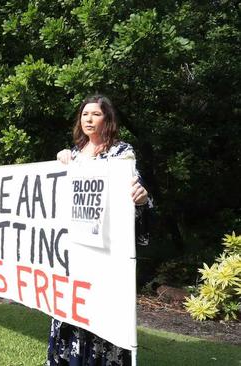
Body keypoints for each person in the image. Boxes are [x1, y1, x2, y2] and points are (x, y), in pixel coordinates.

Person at [49, 95, 152, 365]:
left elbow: (134, 192)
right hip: (74, 252)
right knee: (73, 306)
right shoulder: (72, 155)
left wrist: (140, 196)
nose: (89, 119)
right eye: (84, 115)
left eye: (95, 114)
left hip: (104, 251)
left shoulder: (122, 153)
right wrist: (60, 164)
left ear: (107, 119)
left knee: (101, 310)